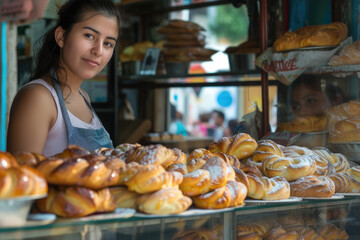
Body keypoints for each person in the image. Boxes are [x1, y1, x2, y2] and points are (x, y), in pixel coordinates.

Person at [7, 0, 120, 156]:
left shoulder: (83, 97)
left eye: (108, 43)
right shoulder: (38, 98)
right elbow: (23, 178)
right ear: (61, 36)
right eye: (89, 35)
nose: (98, 51)